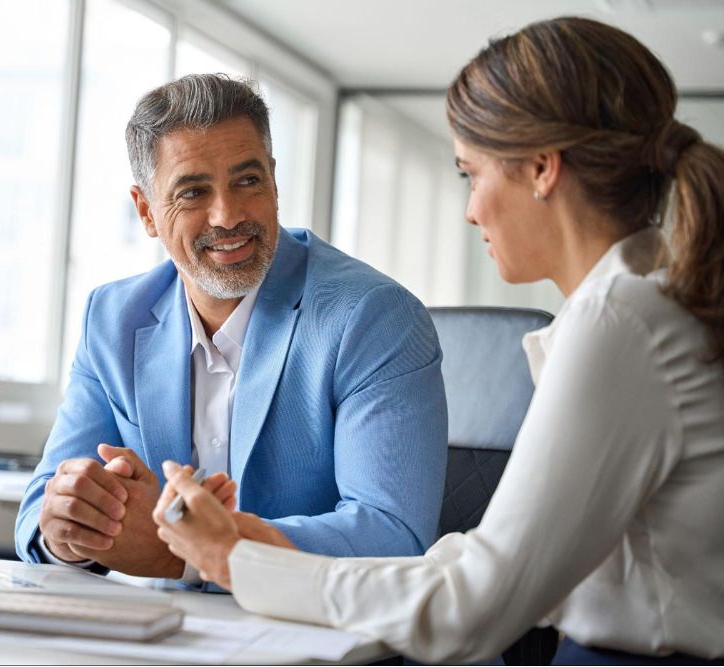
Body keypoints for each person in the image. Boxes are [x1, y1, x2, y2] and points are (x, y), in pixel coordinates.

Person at [153, 17, 724, 663]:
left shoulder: (622, 324)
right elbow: (485, 561)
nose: (471, 209)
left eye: (470, 174)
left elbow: (472, 603)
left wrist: (233, 562)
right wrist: (260, 547)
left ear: (541, 167)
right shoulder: (640, 308)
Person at [14, 74, 448, 582]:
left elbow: (393, 535)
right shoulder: (113, 319)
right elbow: (38, 516)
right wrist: (70, 526)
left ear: (274, 178)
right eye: (193, 192)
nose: (228, 215)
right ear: (146, 211)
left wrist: (197, 553)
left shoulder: (371, 317)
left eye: (248, 181)